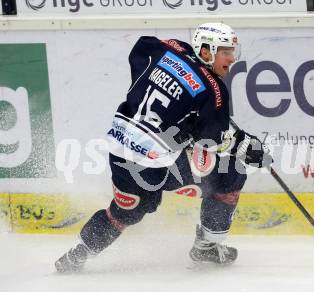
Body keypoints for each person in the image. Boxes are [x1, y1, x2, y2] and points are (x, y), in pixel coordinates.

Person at [55, 22, 272, 272]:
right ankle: (207, 248)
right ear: (206, 51)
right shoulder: (214, 91)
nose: (232, 59)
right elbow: (212, 140)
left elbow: (139, 49)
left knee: (126, 212)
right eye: (226, 52)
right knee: (231, 173)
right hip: (155, 165)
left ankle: (75, 256)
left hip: (119, 150)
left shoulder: (168, 48)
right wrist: (246, 146)